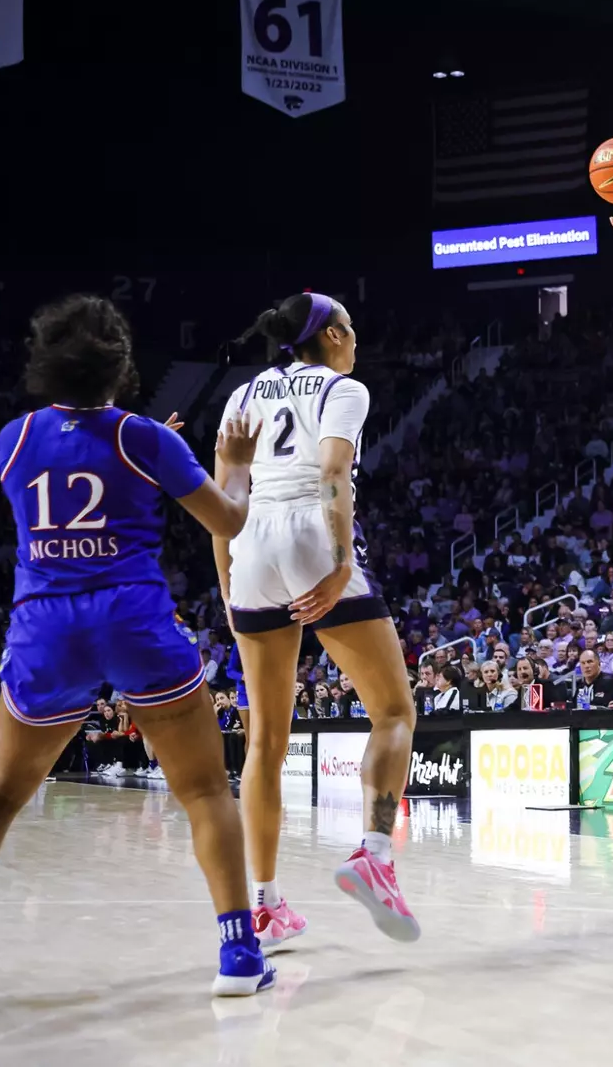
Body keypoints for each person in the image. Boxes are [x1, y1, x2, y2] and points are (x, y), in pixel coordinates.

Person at [0, 295, 272, 1004]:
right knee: (202, 789)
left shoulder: (11, 437)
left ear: (44, 365)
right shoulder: (148, 441)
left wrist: (149, 450)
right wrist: (228, 463)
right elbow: (227, 519)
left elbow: (87, 458)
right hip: (132, 618)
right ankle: (238, 954)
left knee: (2, 790)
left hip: (46, 625)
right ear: (123, 366)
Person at [217, 292, 420, 946]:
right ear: (333, 336)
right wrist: (336, 563)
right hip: (309, 528)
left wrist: (228, 587)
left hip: (249, 547)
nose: (355, 341)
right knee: (393, 713)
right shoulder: (344, 389)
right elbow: (333, 471)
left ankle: (265, 904)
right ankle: (375, 855)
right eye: (352, 330)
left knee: (265, 743)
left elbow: (227, 496)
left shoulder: (242, 395)